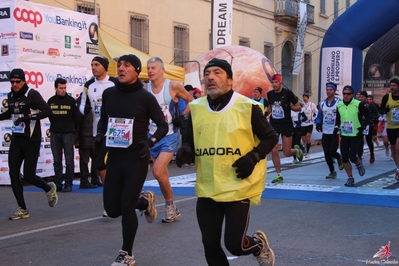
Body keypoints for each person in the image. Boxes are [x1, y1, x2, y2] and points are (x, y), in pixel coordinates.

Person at [176, 58, 277, 266]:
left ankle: (258, 245)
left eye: (217, 73)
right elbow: (190, 139)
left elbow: (271, 137)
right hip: (207, 187)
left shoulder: (247, 107)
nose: (210, 77)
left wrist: (253, 157)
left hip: (237, 187)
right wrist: (186, 150)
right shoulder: (196, 108)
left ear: (230, 80)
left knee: (235, 245)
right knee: (210, 245)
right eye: (207, 73)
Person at [97, 54, 168, 265]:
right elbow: (104, 120)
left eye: (126, 65)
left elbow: (163, 126)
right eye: (119, 65)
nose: (121, 68)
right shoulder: (109, 93)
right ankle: (144, 202)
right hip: (115, 157)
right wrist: (100, 137)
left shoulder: (145, 98)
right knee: (112, 209)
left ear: (137, 71)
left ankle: (127, 253)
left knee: (126, 206)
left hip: (136, 157)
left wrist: (150, 141)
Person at [0, 68, 57, 220]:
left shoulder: (32, 94)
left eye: (18, 81)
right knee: (13, 173)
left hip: (31, 139)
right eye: (12, 82)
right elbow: (9, 113)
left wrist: (27, 117)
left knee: (29, 175)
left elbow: (47, 111)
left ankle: (48, 188)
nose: (15, 84)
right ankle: (22, 209)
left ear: (24, 81)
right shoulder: (11, 95)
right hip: (17, 138)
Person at [146, 56, 194, 223]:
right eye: (148, 68)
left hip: (170, 134)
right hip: (152, 135)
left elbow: (192, 101)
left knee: (157, 171)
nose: (150, 71)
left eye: (153, 68)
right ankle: (171, 206)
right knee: (163, 175)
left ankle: (169, 205)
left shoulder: (172, 86)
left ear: (162, 70)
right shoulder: (146, 89)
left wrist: (182, 116)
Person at [79, 55, 118, 188]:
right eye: (92, 65)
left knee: (114, 161)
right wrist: (85, 109)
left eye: (97, 65)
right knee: (99, 161)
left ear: (104, 67)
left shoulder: (114, 82)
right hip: (97, 130)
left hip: (114, 129)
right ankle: (107, 189)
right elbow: (82, 105)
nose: (93, 67)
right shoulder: (89, 85)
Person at [267, 74, 303, 184]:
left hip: (286, 124)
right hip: (275, 124)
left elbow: (299, 107)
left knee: (287, 152)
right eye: (272, 82)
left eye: (276, 82)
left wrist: (289, 107)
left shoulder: (288, 93)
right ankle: (279, 175)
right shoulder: (270, 94)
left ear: (280, 83)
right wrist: (264, 114)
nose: (274, 85)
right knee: (274, 150)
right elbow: (270, 107)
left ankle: (297, 151)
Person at [47, 78, 80, 192]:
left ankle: (68, 183)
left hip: (67, 134)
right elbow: (50, 116)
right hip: (55, 133)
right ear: (55, 88)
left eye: (65, 88)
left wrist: (74, 132)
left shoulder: (71, 101)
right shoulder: (51, 101)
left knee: (69, 160)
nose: (63, 90)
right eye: (61, 88)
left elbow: (77, 117)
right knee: (57, 161)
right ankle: (58, 183)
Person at [336, 85, 369, 186]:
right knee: (344, 157)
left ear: (352, 94)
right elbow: (338, 118)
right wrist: (336, 127)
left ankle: (358, 163)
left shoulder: (358, 104)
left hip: (356, 134)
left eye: (348, 94)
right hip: (344, 134)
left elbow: (368, 116)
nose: (346, 96)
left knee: (352, 157)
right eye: (344, 94)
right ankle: (350, 177)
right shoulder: (339, 105)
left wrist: (362, 127)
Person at [315, 83, 344, 179]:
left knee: (332, 151)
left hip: (335, 131)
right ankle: (332, 171)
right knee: (326, 153)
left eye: (331, 90)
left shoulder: (339, 102)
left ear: (334, 91)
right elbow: (320, 115)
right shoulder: (322, 103)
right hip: (325, 131)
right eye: (327, 89)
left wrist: (339, 126)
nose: (328, 91)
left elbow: (342, 115)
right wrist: (318, 124)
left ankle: (339, 157)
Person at [75, 93, 97, 189]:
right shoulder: (80, 105)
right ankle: (84, 181)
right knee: (84, 160)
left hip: (94, 135)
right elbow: (76, 123)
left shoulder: (95, 103)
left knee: (96, 159)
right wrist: (77, 139)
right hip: (84, 136)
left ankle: (95, 178)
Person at [380, 76, 399, 182]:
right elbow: (381, 110)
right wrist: (384, 110)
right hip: (391, 126)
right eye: (391, 85)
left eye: (394, 85)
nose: (392, 87)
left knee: (398, 148)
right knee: (393, 149)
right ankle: (398, 168)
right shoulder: (387, 97)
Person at [356, 91, 379, 163]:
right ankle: (359, 156)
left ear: (366, 98)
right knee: (360, 141)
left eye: (363, 97)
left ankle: (372, 154)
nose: (361, 99)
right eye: (360, 97)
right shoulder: (357, 104)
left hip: (368, 125)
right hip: (360, 124)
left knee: (369, 140)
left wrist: (371, 120)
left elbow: (376, 114)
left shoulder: (370, 104)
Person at [301, 93, 318, 157]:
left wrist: (314, 118)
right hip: (302, 124)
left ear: (308, 98)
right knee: (303, 139)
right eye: (303, 97)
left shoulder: (312, 105)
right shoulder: (301, 104)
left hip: (309, 123)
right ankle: (304, 148)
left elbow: (317, 112)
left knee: (308, 137)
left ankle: (307, 152)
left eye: (305, 97)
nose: (304, 98)